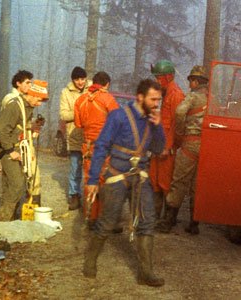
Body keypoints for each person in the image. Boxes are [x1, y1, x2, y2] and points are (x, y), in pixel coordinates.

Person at [83, 79, 166, 287]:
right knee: (108, 222)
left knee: (147, 222)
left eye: (159, 99)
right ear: (140, 97)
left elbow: (158, 149)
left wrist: (158, 127)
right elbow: (101, 146)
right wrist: (93, 179)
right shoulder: (118, 116)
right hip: (117, 175)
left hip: (140, 177)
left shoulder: (152, 120)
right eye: (153, 99)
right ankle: (90, 262)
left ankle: (146, 273)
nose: (157, 103)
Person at [157, 66, 209, 234]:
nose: (189, 84)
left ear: (195, 81)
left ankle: (168, 221)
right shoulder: (212, 98)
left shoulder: (193, 97)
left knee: (179, 181)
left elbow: (179, 112)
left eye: (190, 81)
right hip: (207, 146)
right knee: (197, 185)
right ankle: (194, 224)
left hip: (190, 143)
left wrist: (179, 131)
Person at [0, 75, 49, 221]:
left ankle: (5, 221)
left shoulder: (28, 107)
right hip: (7, 150)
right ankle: (4, 221)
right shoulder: (14, 105)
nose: (39, 103)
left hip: (18, 149)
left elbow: (19, 128)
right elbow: (2, 130)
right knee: (17, 185)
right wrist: (10, 151)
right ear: (31, 94)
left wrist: (33, 127)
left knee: (9, 187)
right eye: (38, 99)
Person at [74, 71, 119, 226]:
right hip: (105, 147)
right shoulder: (108, 99)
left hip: (88, 147)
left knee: (90, 180)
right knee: (107, 182)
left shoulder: (80, 100)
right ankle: (106, 220)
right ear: (106, 84)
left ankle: (91, 217)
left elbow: (78, 124)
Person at [149, 59, 184, 222]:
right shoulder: (164, 94)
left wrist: (168, 147)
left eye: (159, 78)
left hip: (167, 149)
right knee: (154, 181)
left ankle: (168, 220)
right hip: (159, 146)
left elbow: (177, 126)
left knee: (166, 183)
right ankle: (154, 216)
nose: (157, 81)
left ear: (169, 77)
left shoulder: (175, 95)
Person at [59, 66, 90, 210]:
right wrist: (79, 112)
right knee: (75, 168)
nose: (80, 82)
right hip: (75, 135)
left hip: (91, 136)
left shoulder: (92, 88)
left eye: (82, 79)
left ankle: (92, 199)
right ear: (73, 80)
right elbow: (63, 115)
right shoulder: (66, 92)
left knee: (92, 169)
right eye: (77, 79)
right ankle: (74, 196)